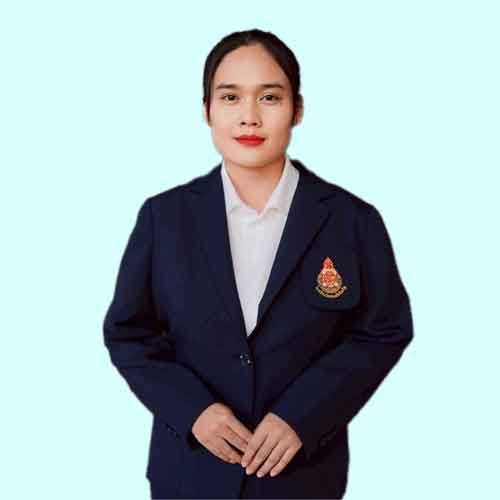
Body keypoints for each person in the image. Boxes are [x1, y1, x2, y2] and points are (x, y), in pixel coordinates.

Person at [103, 28, 414, 499]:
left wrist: (303, 416)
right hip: (190, 475)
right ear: (206, 110)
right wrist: (193, 411)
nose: (249, 116)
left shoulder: (352, 221)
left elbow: (383, 330)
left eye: (269, 97)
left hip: (301, 479)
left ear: (298, 109)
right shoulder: (163, 219)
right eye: (230, 97)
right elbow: (129, 333)